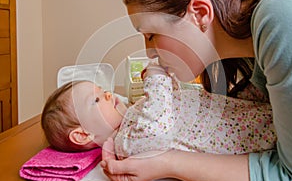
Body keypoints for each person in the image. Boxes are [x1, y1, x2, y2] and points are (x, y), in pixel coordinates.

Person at [100, 0, 292, 181]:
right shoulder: (253, 56)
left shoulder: (282, 17)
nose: (149, 53)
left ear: (200, 13)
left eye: (151, 35)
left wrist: (167, 162)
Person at [41, 64, 275, 158]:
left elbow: (170, 103)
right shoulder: (126, 142)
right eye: (97, 99)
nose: (109, 95)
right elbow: (159, 129)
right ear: (83, 134)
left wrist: (167, 80)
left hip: (233, 109)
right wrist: (155, 79)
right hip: (247, 128)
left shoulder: (132, 117)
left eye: (105, 91)